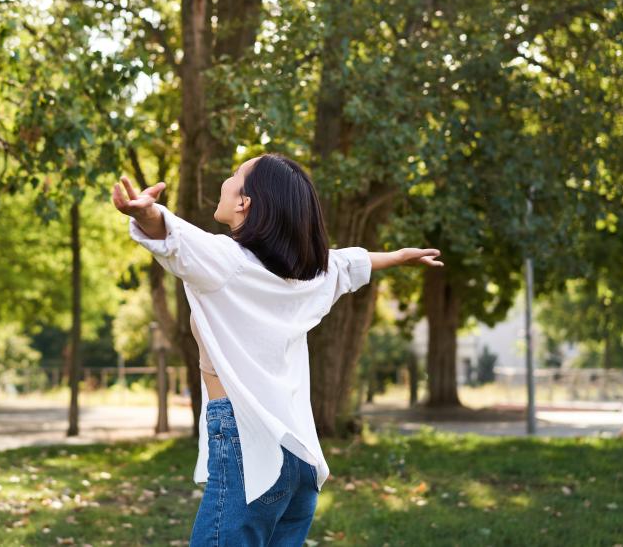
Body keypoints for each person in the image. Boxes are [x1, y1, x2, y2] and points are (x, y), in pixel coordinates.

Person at [112, 153, 443, 546]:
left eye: (235, 175)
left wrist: (146, 215)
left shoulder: (227, 263)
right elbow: (347, 264)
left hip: (247, 447)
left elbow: (175, 238)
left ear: (244, 202)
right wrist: (398, 258)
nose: (226, 179)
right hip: (298, 455)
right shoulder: (306, 276)